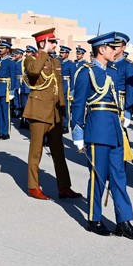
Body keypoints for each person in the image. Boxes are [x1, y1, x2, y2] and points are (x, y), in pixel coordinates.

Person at [72, 31, 133, 239]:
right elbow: (78, 105)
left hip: (114, 129)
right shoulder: (85, 72)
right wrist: (78, 131)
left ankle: (124, 221)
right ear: (102, 49)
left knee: (119, 177)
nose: (117, 51)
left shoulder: (112, 71)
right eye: (113, 48)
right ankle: (94, 219)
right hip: (96, 129)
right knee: (98, 177)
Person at [22, 28, 82, 200]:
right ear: (43, 43)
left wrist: (62, 111)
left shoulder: (56, 62)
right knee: (36, 152)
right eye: (52, 42)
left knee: (59, 153)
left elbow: (59, 88)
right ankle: (33, 186)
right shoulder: (31, 59)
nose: (56, 44)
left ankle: (64, 187)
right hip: (39, 113)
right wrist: (42, 52)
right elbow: (33, 72)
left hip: (55, 113)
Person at [0, 40, 17, 139]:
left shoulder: (10, 62)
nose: (0, 49)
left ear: (7, 50)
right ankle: (0, 131)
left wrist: (12, 91)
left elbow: (13, 77)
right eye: (0, 48)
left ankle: (6, 132)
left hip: (5, 88)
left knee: (5, 111)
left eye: (2, 48)